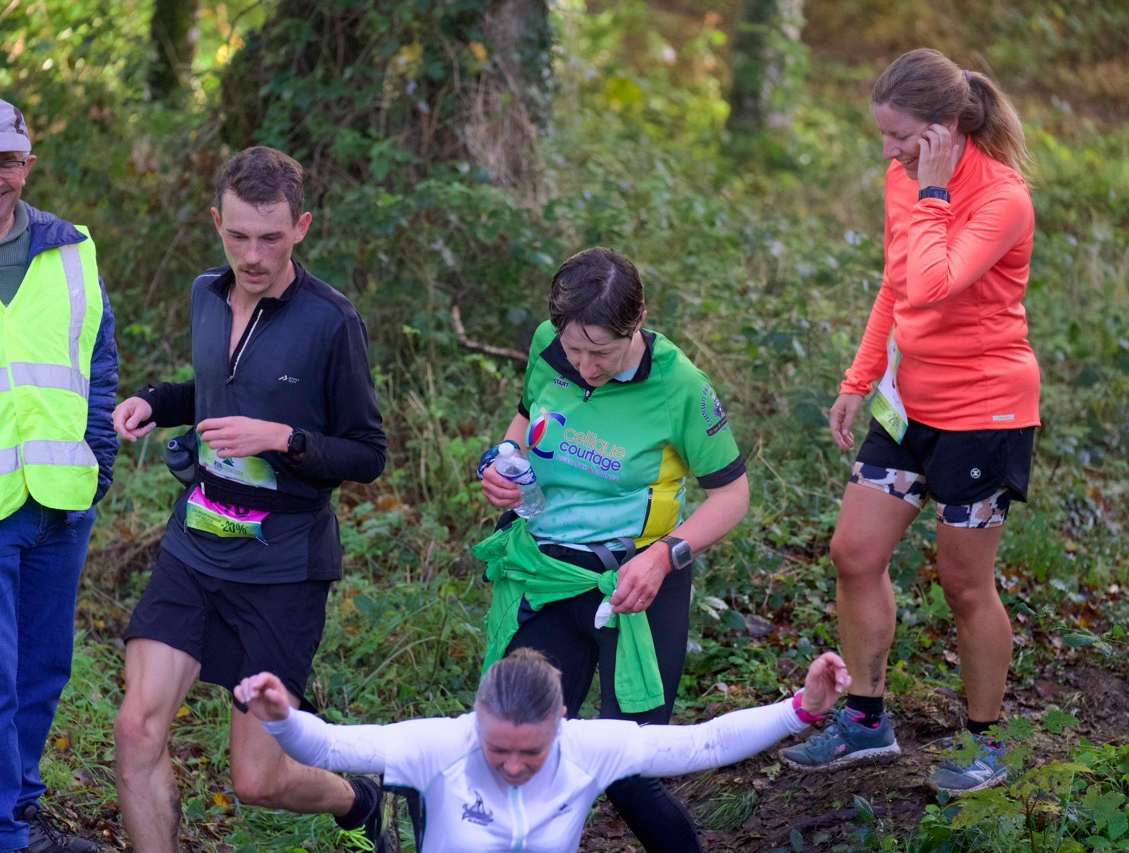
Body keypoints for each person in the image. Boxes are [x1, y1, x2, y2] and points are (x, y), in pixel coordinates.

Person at [109, 146, 388, 851]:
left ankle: (359, 797)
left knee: (258, 779)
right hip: (194, 547)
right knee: (136, 728)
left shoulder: (331, 320)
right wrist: (154, 401)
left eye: (270, 237)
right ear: (216, 222)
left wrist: (283, 439)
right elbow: (213, 389)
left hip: (282, 567)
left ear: (302, 227)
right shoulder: (206, 293)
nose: (253, 256)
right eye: (238, 235)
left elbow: (367, 453)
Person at [779, 48, 1039, 796]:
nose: (888, 152)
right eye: (884, 136)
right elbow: (896, 286)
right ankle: (865, 720)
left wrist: (932, 191)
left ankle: (988, 739)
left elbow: (932, 283)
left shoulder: (1002, 198)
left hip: (984, 412)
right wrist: (858, 379)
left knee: (964, 583)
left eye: (901, 137)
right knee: (853, 552)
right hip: (909, 404)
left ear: (945, 128)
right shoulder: (904, 178)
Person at [473, 247, 750, 852]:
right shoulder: (548, 345)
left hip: (635, 587)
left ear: (639, 320)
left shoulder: (680, 387)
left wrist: (664, 555)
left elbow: (732, 496)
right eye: (574, 349)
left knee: (628, 773)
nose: (585, 366)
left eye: (601, 351)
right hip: (548, 575)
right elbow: (525, 419)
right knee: (520, 747)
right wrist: (505, 460)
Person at [0, 97, 117, 853]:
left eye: (6, 161)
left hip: (60, 499)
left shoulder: (72, 249)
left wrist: (97, 458)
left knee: (42, 670)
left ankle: (21, 812)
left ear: (28, 164)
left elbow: (97, 361)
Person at [236, 648, 850, 852]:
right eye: (497, 748)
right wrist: (281, 718)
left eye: (530, 752)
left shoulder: (591, 748)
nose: (511, 765)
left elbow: (705, 741)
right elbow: (333, 745)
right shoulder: (441, 744)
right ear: (477, 718)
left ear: (561, 720)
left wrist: (801, 708)